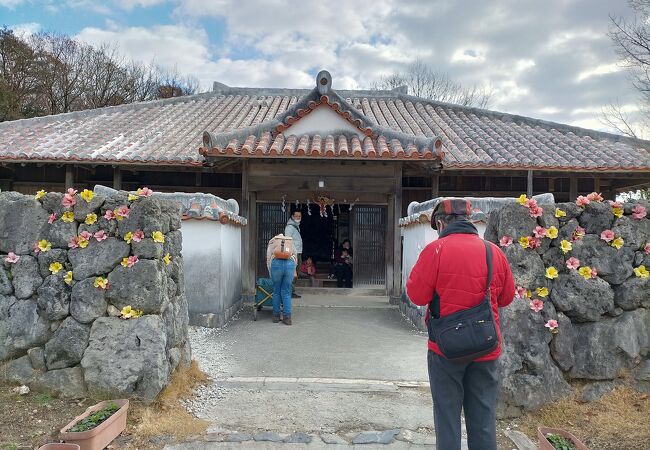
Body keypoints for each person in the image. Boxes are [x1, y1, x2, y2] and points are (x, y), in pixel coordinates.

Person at [406, 198, 515, 450]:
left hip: (445, 349)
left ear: (442, 223)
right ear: (469, 221)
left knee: (447, 416)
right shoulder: (493, 252)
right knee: (483, 418)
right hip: (486, 346)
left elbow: (417, 296)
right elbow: (506, 297)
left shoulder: (435, 251)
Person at [266, 234, 297, 325]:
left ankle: (276, 316)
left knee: (276, 291)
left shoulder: (272, 241)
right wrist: (293, 268)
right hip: (290, 264)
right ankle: (287, 318)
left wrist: (270, 271)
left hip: (276, 265)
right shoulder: (290, 241)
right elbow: (295, 255)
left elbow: (268, 258)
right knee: (286, 292)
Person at [284, 210, 303, 299]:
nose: (298, 218)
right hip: (293, 254)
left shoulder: (296, 226)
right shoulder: (290, 227)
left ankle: (291, 291)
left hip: (298, 252)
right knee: (293, 273)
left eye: (299, 216)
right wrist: (290, 254)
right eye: (296, 216)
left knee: (296, 273)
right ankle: (290, 292)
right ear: (292, 216)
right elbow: (287, 241)